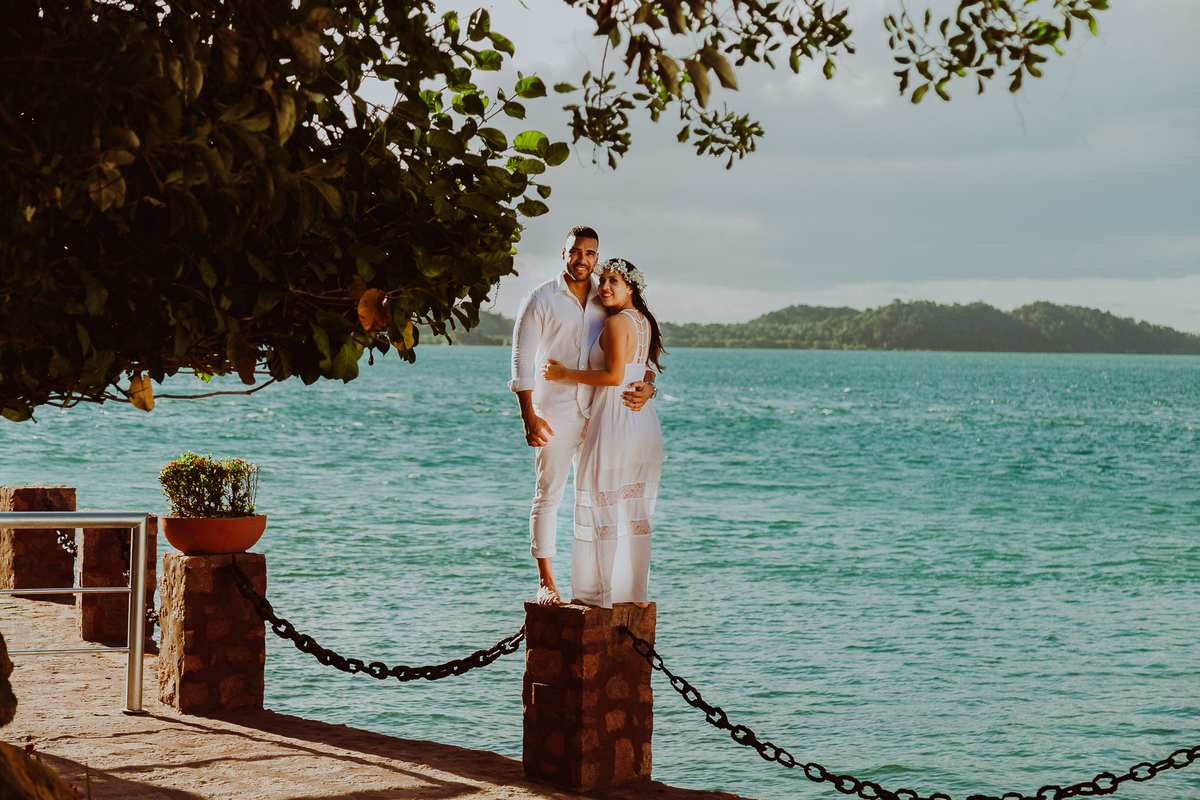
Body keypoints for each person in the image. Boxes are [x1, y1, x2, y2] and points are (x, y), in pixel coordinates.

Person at [509, 228, 656, 606]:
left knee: (601, 499)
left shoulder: (605, 297)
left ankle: (605, 587)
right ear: (564, 253)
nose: (583, 259)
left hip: (602, 416)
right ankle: (546, 582)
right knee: (549, 494)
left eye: (590, 253)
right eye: (576, 252)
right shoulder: (540, 298)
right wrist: (528, 414)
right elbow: (521, 362)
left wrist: (649, 386)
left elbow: (640, 355)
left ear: (596, 257)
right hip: (555, 413)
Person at [542, 258, 665, 609]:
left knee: (600, 503)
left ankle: (595, 596)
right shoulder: (644, 322)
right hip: (642, 423)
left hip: (615, 417)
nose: (605, 287)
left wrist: (565, 373)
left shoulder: (615, 323)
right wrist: (649, 388)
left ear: (631, 287)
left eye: (614, 281)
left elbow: (613, 377)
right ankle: (631, 593)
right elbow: (646, 369)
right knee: (631, 509)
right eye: (604, 280)